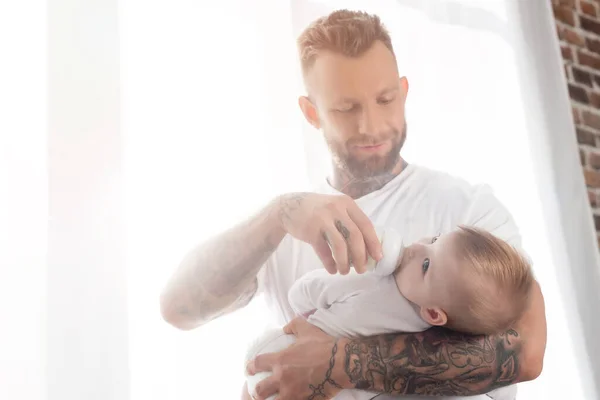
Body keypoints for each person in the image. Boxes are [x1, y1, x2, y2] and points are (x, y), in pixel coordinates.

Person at [159, 9, 547, 400]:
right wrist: (278, 215)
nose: (371, 126)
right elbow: (179, 309)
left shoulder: (467, 213)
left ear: (404, 91)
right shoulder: (288, 231)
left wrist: (338, 362)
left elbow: (526, 352)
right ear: (312, 113)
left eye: (385, 99)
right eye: (347, 109)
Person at [243, 225, 534, 400]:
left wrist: (305, 315)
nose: (418, 247)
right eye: (433, 240)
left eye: (425, 265)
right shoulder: (443, 343)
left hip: (279, 361)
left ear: (434, 314)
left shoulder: (373, 281)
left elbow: (304, 291)